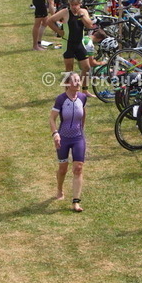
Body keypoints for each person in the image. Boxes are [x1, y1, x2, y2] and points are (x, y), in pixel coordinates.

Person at [50, 73, 88, 213]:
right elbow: (52, 118)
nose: (78, 83)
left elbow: (83, 113)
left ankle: (75, 202)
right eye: (75, 81)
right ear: (67, 84)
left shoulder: (82, 97)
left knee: (78, 168)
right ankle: (59, 189)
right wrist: (56, 134)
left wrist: (81, 130)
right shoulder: (61, 99)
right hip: (64, 138)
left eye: (79, 80)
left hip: (78, 138)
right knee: (63, 169)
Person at [46, 0, 95, 91]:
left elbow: (90, 26)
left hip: (79, 43)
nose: (74, 7)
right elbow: (49, 21)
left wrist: (82, 16)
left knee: (86, 67)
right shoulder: (65, 12)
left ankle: (84, 90)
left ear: (80, 4)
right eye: (72, 5)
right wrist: (58, 31)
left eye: (76, 4)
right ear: (69, 4)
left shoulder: (83, 11)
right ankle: (67, 92)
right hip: (68, 44)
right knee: (69, 69)